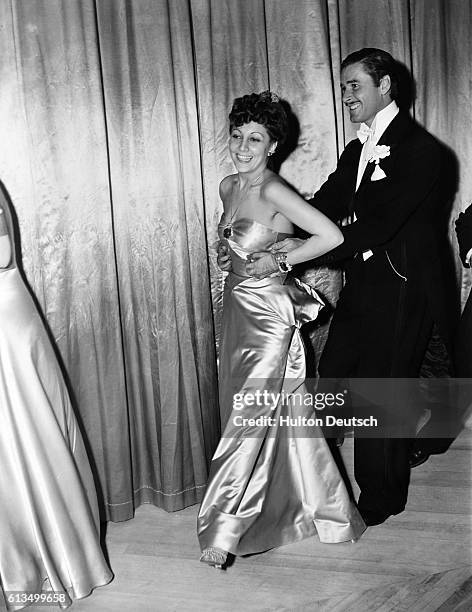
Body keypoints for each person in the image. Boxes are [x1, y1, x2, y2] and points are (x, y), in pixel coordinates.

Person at [273, 48, 453, 527]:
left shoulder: (422, 149)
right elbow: (325, 204)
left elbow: (381, 227)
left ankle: (382, 496)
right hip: (365, 280)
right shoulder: (357, 148)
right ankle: (317, 480)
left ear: (385, 85)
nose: (345, 93)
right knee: (332, 374)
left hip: (404, 286)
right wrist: (271, 220)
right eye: (344, 85)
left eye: (354, 84)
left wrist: (300, 254)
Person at [197, 91, 366, 569]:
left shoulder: (273, 189)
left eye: (256, 138)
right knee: (273, 411)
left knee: (247, 415)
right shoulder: (230, 185)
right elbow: (237, 239)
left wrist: (279, 257)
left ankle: (224, 529)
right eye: (237, 135)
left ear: (273, 145)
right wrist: (230, 253)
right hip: (237, 310)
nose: (244, 146)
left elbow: (331, 236)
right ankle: (323, 509)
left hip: (270, 315)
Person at [0, 183, 112, 609]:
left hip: (5, 326)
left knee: (23, 441)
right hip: (9, 317)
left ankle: (44, 571)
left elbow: (2, 256)